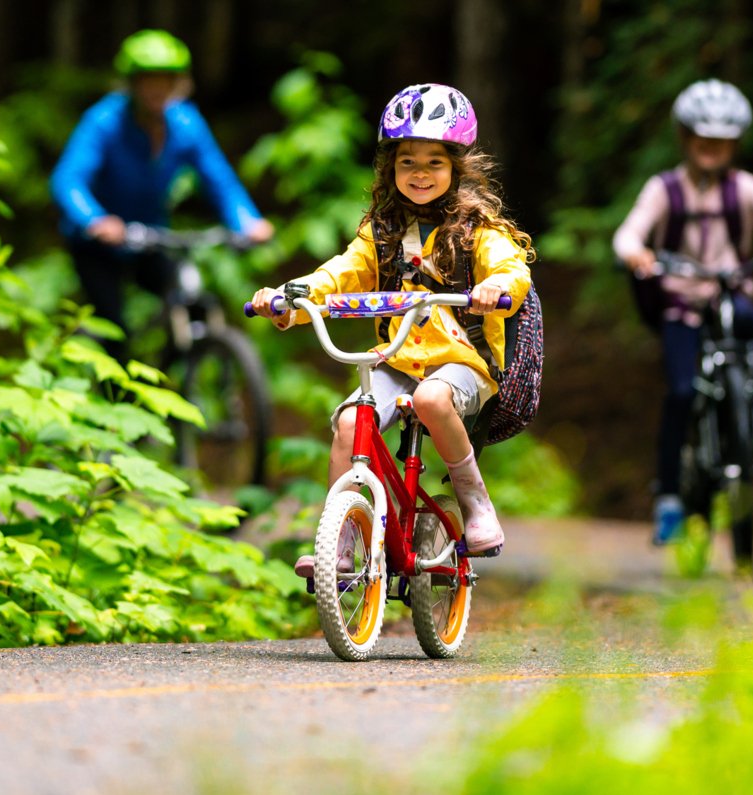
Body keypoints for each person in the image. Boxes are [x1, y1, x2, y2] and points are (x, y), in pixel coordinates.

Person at [249, 84, 534, 578]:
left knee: (431, 400)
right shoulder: (379, 233)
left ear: (457, 168)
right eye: (407, 162)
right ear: (390, 169)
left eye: (433, 163)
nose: (419, 174)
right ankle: (338, 540)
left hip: (461, 362)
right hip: (399, 358)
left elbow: (512, 270)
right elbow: (336, 275)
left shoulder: (478, 230)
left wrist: (496, 288)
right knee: (348, 421)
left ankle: (474, 501)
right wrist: (289, 298)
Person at [613, 79, 753, 546]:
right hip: (680, 303)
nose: (712, 148)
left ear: (735, 143)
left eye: (722, 140)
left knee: (750, 321)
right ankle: (670, 496)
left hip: (729, 296)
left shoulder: (743, 189)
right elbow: (629, 233)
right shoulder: (664, 189)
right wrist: (637, 254)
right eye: (703, 139)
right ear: (686, 138)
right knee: (680, 392)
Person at [50, 29, 273, 362]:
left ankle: (177, 384)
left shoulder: (186, 123)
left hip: (151, 238)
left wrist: (247, 221)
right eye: (147, 79)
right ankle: (118, 404)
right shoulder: (104, 121)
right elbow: (68, 180)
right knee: (115, 330)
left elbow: (219, 179)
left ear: (177, 83)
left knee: (191, 304)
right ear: (131, 83)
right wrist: (94, 220)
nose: (156, 88)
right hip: (98, 243)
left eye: (165, 79)